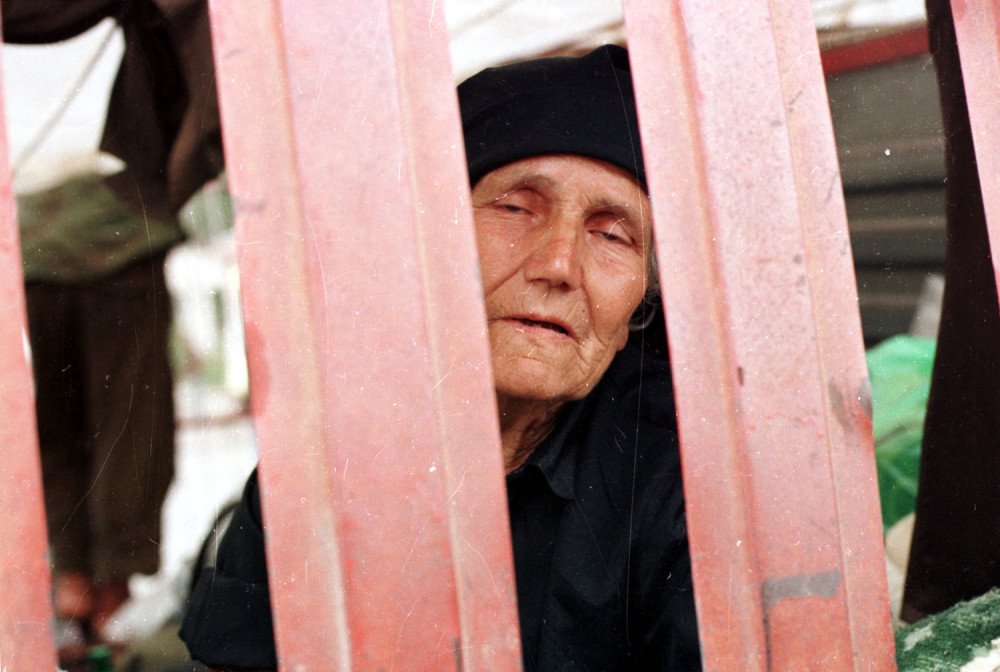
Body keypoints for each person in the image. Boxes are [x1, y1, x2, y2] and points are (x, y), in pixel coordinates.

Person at [180, 44, 700, 671]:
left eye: (613, 234)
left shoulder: (692, 485)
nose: (559, 264)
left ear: (632, 315)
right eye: (515, 207)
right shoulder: (331, 462)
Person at [2, 0, 222, 641]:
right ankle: (104, 588)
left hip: (54, 235)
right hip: (96, 231)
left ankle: (83, 585)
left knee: (69, 424)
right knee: (126, 419)